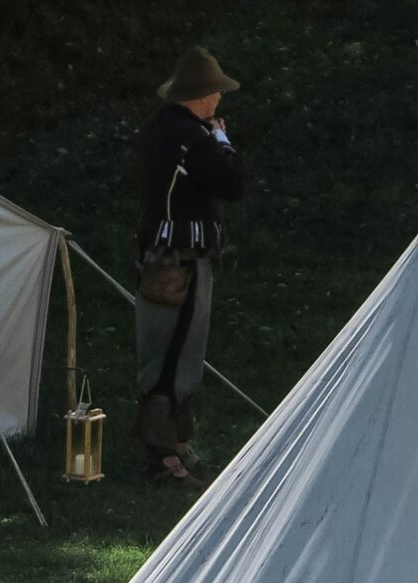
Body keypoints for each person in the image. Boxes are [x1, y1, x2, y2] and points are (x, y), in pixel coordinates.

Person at [131, 46, 246, 486]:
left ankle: (176, 442)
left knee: (165, 351)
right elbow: (232, 182)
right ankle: (162, 456)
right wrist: (221, 140)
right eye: (216, 91)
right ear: (204, 96)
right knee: (175, 354)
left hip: (155, 254)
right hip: (182, 261)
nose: (219, 99)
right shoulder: (196, 138)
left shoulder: (153, 130)